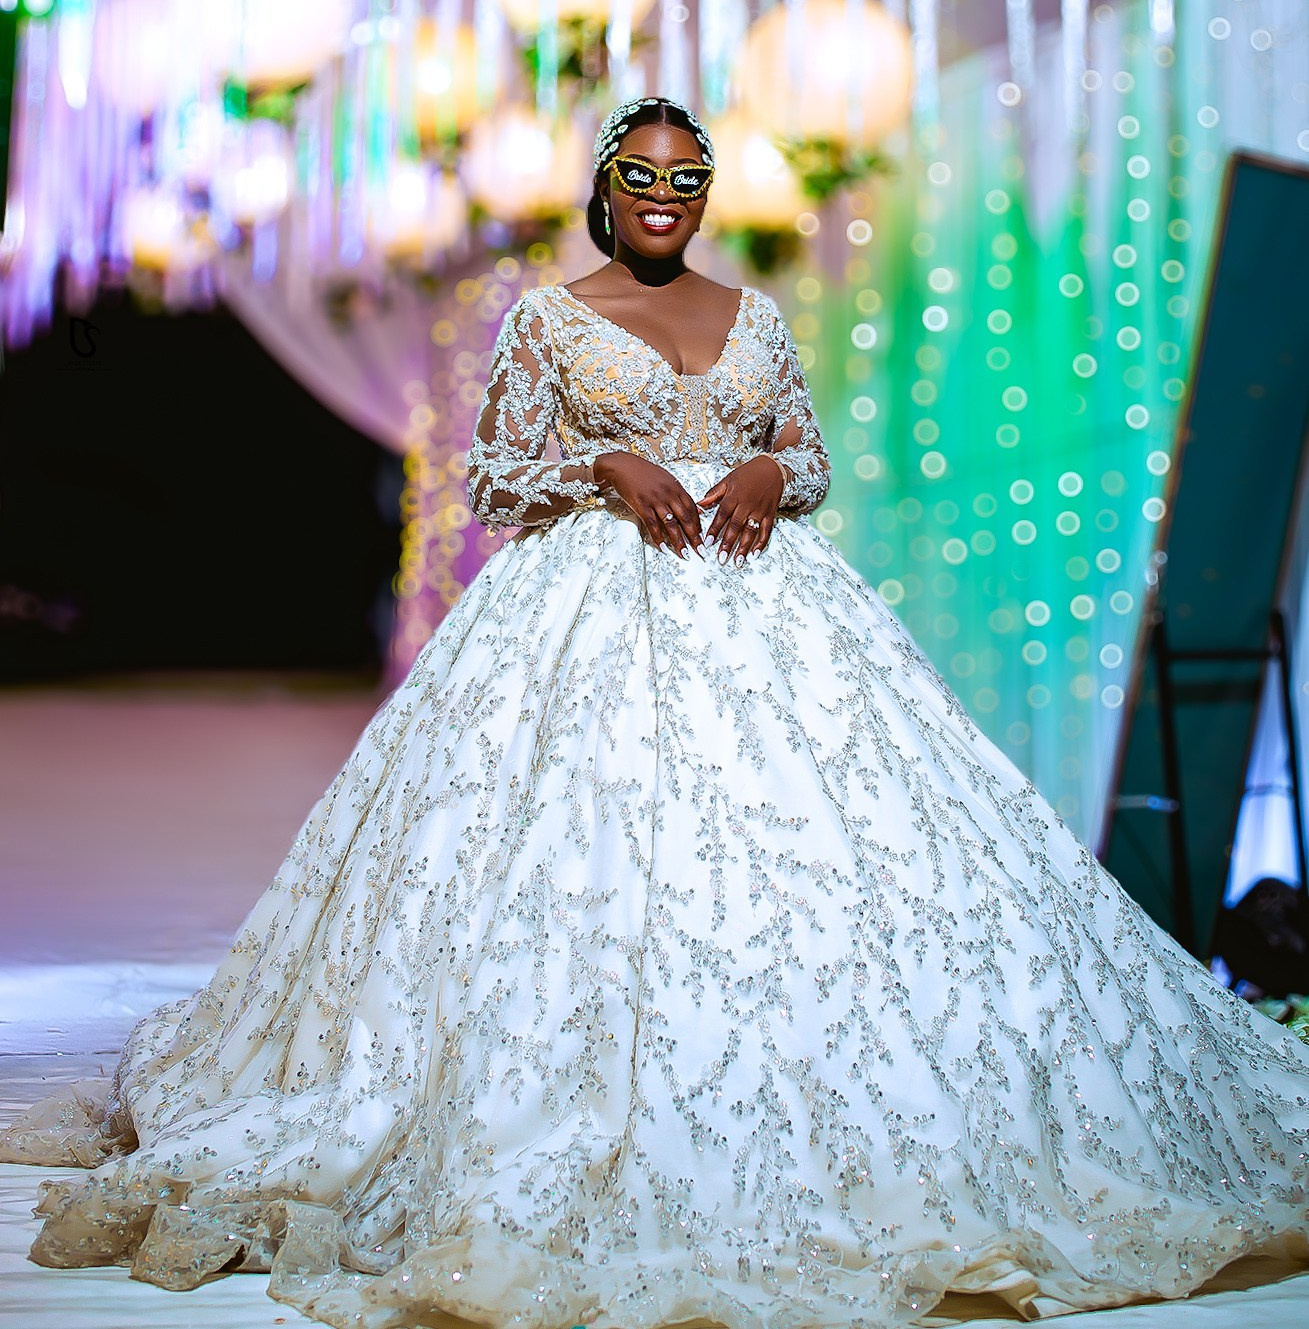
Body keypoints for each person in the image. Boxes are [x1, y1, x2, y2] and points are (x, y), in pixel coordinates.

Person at [4, 93, 1309, 1329]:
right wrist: (603, 461)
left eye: (688, 178)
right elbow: (494, 479)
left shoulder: (754, 316)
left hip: (768, 611)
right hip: (582, 616)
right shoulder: (550, 319)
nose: (665, 195)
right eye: (642, 175)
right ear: (605, 187)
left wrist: (768, 472)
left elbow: (807, 451)